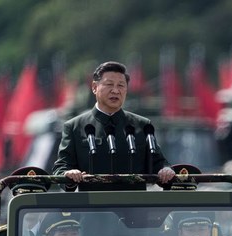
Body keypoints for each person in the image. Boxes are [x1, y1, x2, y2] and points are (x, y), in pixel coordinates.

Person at [52, 61, 175, 190]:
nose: (115, 91)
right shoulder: (75, 127)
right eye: (109, 84)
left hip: (134, 206)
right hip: (91, 206)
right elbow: (61, 167)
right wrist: (69, 174)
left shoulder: (142, 125)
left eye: (121, 85)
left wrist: (165, 170)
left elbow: (159, 163)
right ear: (94, 87)